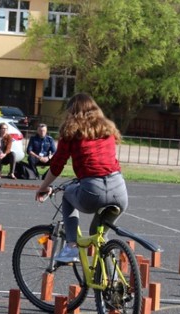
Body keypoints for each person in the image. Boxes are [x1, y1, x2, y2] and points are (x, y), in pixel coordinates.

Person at [35, 93, 128, 264]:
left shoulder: (71, 132)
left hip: (93, 190)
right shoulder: (107, 129)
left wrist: (44, 187)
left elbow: (57, 165)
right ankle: (112, 283)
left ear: (72, 111)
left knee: (68, 196)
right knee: (99, 234)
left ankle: (71, 247)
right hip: (119, 189)